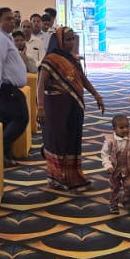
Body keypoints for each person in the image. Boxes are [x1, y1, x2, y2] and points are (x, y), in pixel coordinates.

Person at [39, 26, 105, 191]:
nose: (71, 43)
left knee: (72, 139)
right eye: (67, 40)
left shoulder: (73, 59)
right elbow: (40, 85)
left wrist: (96, 95)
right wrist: (40, 107)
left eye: (72, 39)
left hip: (74, 106)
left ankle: (73, 176)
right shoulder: (50, 60)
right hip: (56, 108)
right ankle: (56, 176)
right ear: (60, 41)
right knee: (58, 140)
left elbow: (82, 79)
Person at [0, 8, 31, 160]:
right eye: (8, 19)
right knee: (21, 117)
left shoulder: (4, 37)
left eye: (13, 19)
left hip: (3, 86)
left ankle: (5, 157)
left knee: (5, 121)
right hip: (3, 87)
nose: (12, 21)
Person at [101, 115, 130, 214]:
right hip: (115, 170)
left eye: (127, 126)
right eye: (121, 128)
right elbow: (105, 154)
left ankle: (127, 201)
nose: (125, 129)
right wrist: (108, 165)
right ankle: (113, 204)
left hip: (128, 168)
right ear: (114, 129)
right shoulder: (110, 141)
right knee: (114, 188)